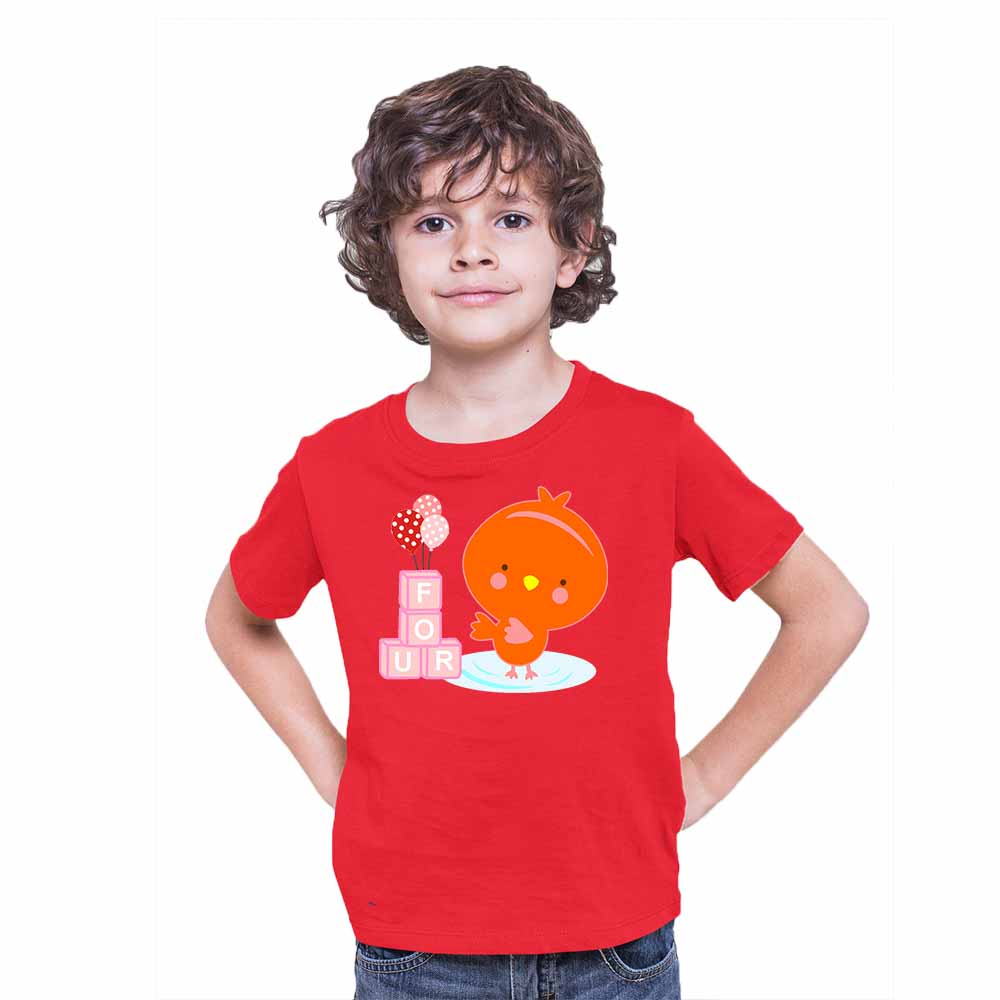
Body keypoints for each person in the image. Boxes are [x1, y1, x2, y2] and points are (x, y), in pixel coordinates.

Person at [205, 65, 869, 1000]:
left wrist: (705, 778)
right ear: (388, 248)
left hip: (617, 944)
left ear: (572, 248)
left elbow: (827, 610)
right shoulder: (333, 465)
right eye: (433, 222)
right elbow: (238, 618)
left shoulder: (655, 443)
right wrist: (336, 773)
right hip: (412, 947)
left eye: (511, 217)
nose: (472, 250)